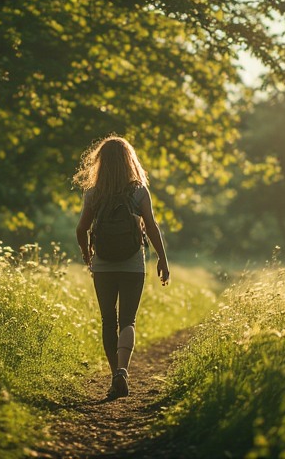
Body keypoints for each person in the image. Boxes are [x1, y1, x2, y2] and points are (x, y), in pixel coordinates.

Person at [74, 135, 170, 399]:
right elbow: (151, 226)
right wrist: (162, 258)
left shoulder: (94, 194)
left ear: (101, 163)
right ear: (130, 161)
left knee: (108, 320)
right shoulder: (139, 191)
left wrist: (87, 254)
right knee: (128, 319)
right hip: (132, 264)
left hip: (103, 265)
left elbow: (81, 229)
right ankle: (122, 373)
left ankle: (114, 372)